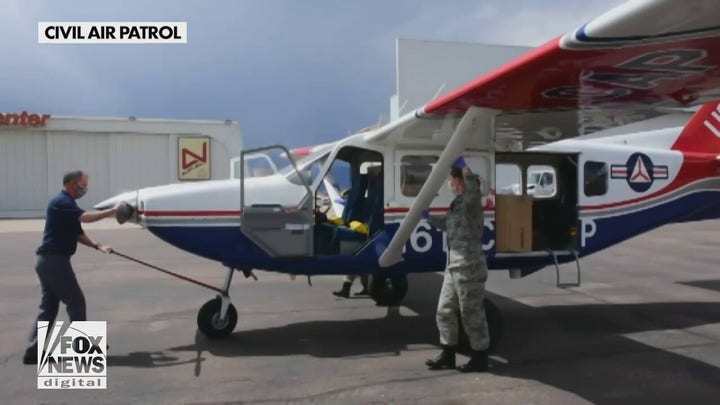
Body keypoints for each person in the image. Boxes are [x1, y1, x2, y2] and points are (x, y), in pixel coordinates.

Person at [22, 170, 124, 365]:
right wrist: (113, 210)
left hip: (48, 261)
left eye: (86, 186)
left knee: (49, 308)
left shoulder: (67, 205)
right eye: (82, 186)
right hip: (54, 261)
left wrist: (98, 245)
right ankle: (82, 349)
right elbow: (86, 218)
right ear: (70, 184)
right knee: (76, 301)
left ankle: (32, 351)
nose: (84, 190)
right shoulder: (61, 202)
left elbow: (78, 233)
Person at [424, 156, 491, 373]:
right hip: (453, 267)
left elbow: (474, 187)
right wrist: (427, 217)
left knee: (472, 313)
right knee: (444, 310)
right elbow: (447, 225)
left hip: (469, 267)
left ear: (460, 182)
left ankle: (480, 357)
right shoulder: (457, 205)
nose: (450, 186)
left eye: (452, 182)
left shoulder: (471, 201)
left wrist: (464, 168)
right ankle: (448, 354)